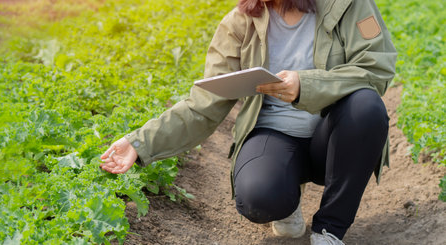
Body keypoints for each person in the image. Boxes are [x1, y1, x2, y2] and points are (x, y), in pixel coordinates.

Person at [100, 0, 397, 244]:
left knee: (366, 107)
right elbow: (203, 105)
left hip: (333, 137)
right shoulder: (240, 22)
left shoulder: (348, 6)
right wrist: (140, 142)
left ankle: (329, 230)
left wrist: (307, 85)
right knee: (259, 197)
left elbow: (375, 69)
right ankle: (287, 200)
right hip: (274, 135)